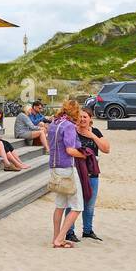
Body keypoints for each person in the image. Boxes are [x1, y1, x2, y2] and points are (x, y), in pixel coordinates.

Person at [63, 108, 109, 243]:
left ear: (90, 119)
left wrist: (92, 136)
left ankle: (87, 231)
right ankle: (69, 231)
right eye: (80, 117)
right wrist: (86, 155)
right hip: (75, 173)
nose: (82, 119)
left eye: (85, 117)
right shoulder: (72, 131)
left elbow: (106, 149)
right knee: (72, 203)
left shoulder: (95, 132)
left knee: (89, 204)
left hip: (92, 173)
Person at [48, 98, 84, 249]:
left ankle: (55, 237)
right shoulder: (68, 126)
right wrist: (84, 155)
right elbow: (70, 149)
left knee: (60, 205)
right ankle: (60, 238)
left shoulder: (54, 123)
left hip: (54, 167)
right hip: (66, 168)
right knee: (77, 206)